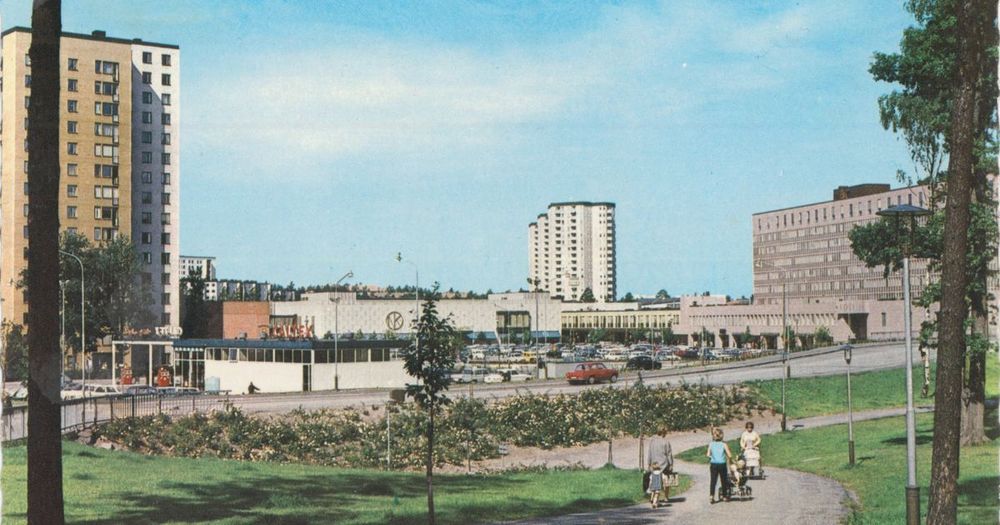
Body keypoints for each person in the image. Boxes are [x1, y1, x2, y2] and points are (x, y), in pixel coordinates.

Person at [646, 431, 674, 503]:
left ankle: (653, 497)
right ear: (663, 433)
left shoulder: (652, 442)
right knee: (666, 480)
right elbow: (669, 454)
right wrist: (671, 464)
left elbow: (649, 453)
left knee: (654, 480)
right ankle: (666, 497)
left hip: (654, 465)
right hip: (664, 464)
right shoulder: (666, 442)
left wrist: (649, 463)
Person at [706, 427, 732, 503]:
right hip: (722, 464)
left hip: (714, 464)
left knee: (713, 480)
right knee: (723, 480)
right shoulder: (724, 444)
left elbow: (708, 454)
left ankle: (711, 496)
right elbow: (729, 455)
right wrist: (730, 460)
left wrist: (712, 457)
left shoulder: (711, 444)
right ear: (722, 436)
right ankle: (724, 496)